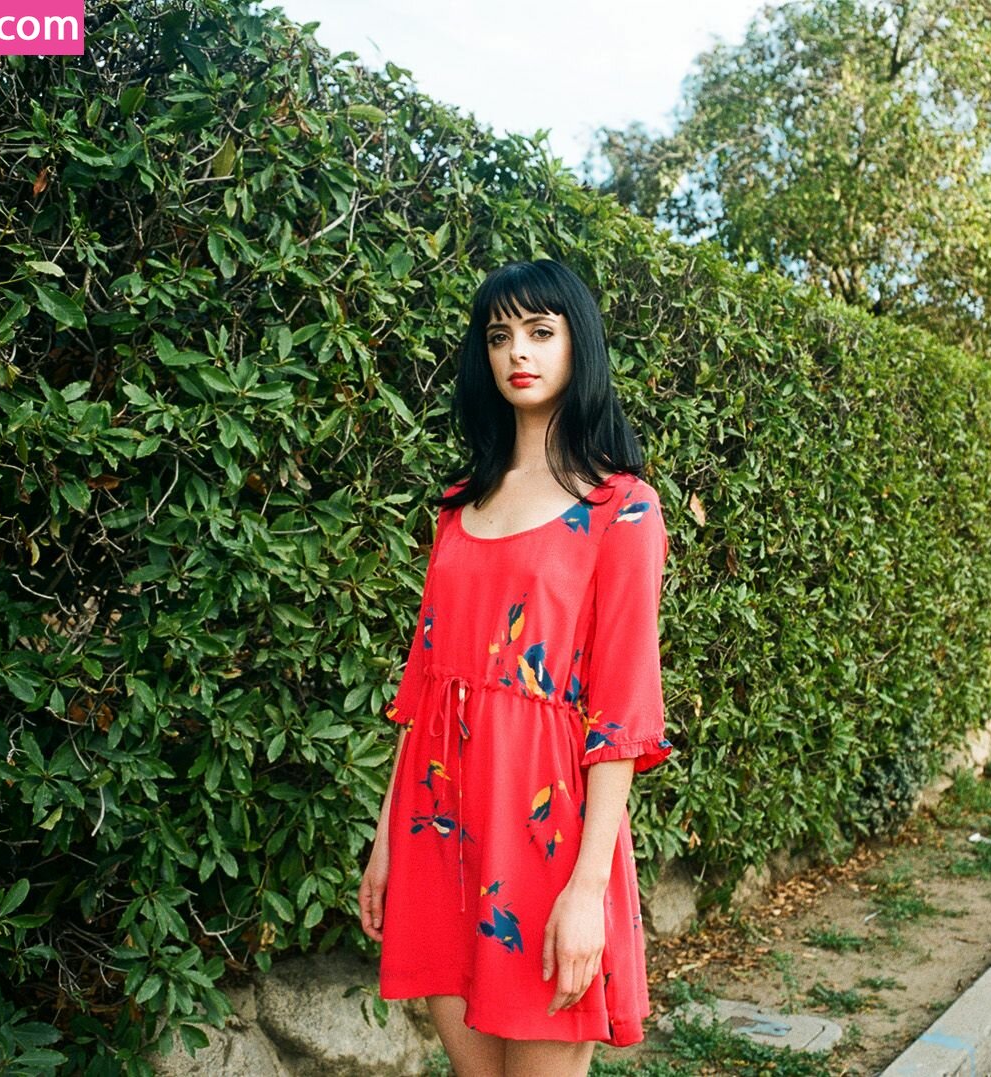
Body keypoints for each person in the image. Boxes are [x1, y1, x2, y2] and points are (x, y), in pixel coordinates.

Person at [358, 258, 674, 1077]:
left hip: (547, 831)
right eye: (499, 336)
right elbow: (423, 686)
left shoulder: (621, 507)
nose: (517, 352)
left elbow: (621, 714)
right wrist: (386, 841)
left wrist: (586, 888)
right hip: (437, 826)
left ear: (578, 345)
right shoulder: (460, 505)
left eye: (539, 331)